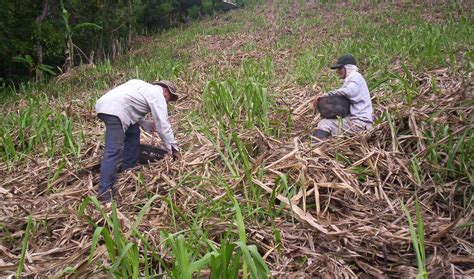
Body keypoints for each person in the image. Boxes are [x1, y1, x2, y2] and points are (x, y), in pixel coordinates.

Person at [95, 79, 181, 203]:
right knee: (113, 150)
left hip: (105, 105)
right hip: (115, 111)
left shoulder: (139, 85)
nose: (167, 102)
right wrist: (173, 149)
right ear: (166, 91)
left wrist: (145, 123)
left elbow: (128, 104)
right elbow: (163, 125)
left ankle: (128, 170)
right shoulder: (157, 95)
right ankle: (104, 192)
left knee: (133, 132)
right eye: (169, 99)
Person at [313, 54, 373, 141]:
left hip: (360, 123)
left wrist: (324, 95)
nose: (338, 71)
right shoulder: (353, 78)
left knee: (325, 124)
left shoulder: (355, 78)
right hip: (358, 121)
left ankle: (314, 149)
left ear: (348, 68)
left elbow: (348, 91)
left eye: (340, 68)